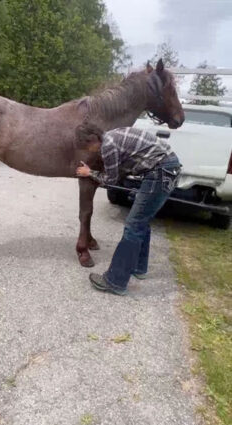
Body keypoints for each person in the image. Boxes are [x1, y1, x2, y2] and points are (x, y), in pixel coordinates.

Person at [75, 124, 181, 296]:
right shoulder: (112, 134)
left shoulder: (108, 145)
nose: (89, 151)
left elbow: (112, 181)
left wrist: (90, 173)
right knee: (141, 221)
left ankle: (115, 281)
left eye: (87, 146)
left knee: (133, 225)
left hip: (160, 172)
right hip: (166, 168)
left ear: (93, 139)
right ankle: (138, 267)